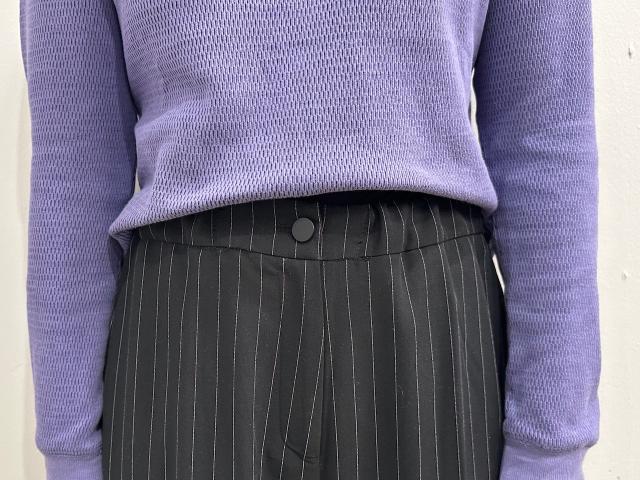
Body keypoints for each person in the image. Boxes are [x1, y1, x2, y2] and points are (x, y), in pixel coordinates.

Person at [18, 1, 600, 479]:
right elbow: (75, 168)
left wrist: (548, 442)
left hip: (428, 333)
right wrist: (71, 449)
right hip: (191, 338)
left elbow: (545, 141)